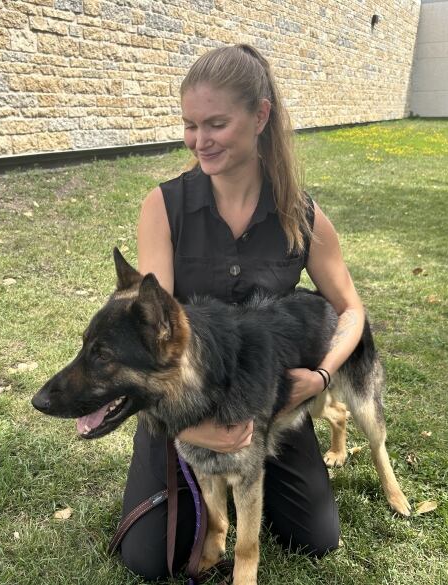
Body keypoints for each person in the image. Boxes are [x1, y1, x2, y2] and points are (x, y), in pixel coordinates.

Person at [118, 43, 365, 580]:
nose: (198, 141)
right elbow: (148, 336)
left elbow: (350, 309)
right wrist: (193, 430)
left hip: (269, 404)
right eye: (189, 125)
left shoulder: (303, 215)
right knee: (147, 556)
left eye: (215, 124)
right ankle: (214, 504)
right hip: (182, 409)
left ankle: (252, 488)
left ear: (260, 116)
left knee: (315, 538)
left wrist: (320, 376)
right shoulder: (163, 207)